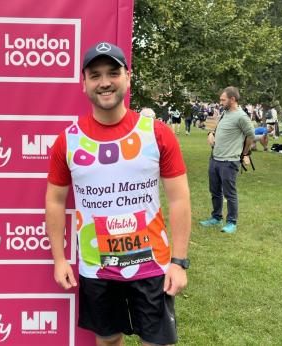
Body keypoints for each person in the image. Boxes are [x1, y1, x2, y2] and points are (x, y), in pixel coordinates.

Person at [46, 42, 191, 346]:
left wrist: (179, 261)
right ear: (83, 82)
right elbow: (55, 201)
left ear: (128, 77)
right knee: (108, 339)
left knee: (156, 342)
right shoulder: (68, 141)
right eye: (95, 74)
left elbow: (179, 199)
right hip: (97, 266)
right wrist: (59, 259)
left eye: (113, 72)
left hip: (152, 262)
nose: (105, 82)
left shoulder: (157, 133)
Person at [200, 87, 254, 234]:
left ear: (233, 99)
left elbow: (250, 135)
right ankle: (216, 217)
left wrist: (245, 153)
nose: (220, 102)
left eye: (223, 99)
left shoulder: (241, 116)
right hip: (215, 158)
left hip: (230, 161)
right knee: (215, 191)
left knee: (229, 193)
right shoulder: (224, 113)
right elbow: (216, 128)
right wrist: (211, 133)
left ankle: (231, 222)